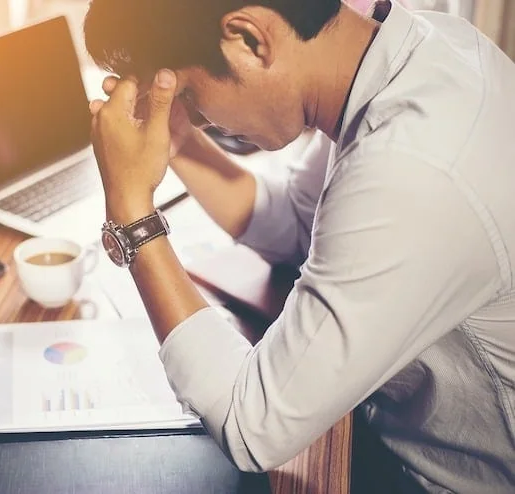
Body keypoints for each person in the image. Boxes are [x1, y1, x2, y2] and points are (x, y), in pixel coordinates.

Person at [83, 0, 515, 492]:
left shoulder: (412, 168)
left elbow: (251, 426)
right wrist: (178, 141)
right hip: (380, 419)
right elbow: (294, 224)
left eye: (190, 94)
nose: (198, 118)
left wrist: (131, 210)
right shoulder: (421, 51)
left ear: (249, 39)